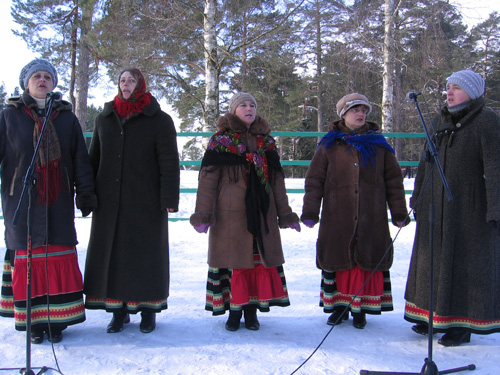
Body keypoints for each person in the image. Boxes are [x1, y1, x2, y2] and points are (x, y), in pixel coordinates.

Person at [0, 58, 96, 344]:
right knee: (28, 259)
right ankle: (33, 323)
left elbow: (80, 158)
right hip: (22, 199)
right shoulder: (9, 116)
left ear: (53, 84)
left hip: (58, 199)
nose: (42, 80)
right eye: (36, 76)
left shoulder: (66, 117)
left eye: (47, 76)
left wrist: (86, 192)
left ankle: (57, 322)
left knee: (57, 255)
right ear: (26, 83)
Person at [404, 70, 500, 346]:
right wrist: (418, 196)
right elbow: (425, 163)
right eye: (448, 87)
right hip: (435, 205)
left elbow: (495, 169)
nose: (449, 92)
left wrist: (495, 208)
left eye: (456, 87)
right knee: (432, 263)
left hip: (469, 209)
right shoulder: (438, 120)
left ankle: (461, 324)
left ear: (473, 92)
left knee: (464, 266)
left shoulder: (487, 122)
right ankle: (430, 317)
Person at [190, 92, 300, 331]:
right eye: (243, 105)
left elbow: (277, 182)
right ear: (233, 111)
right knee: (234, 262)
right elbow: (207, 180)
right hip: (230, 214)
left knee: (255, 262)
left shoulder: (267, 143)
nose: (249, 108)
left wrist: (285, 213)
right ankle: (233, 312)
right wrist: (203, 214)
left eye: (252, 105)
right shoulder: (220, 141)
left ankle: (251, 312)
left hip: (262, 213)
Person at [83, 68, 180, 334]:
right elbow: (94, 159)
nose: (126, 84)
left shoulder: (159, 120)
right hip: (109, 202)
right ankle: (118, 312)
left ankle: (148, 311)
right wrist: (87, 194)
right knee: (112, 256)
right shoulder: (105, 118)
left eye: (131, 80)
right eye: (122, 80)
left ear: (141, 84)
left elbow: (170, 162)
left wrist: (169, 197)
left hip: (146, 200)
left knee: (146, 256)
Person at [301, 93, 409, 329]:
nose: (360, 114)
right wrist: (310, 212)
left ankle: (361, 310)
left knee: (366, 260)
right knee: (340, 259)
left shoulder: (380, 145)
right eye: (354, 110)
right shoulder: (329, 144)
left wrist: (399, 213)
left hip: (372, 216)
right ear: (343, 114)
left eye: (364, 110)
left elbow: (393, 180)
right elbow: (314, 180)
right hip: (337, 215)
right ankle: (339, 307)